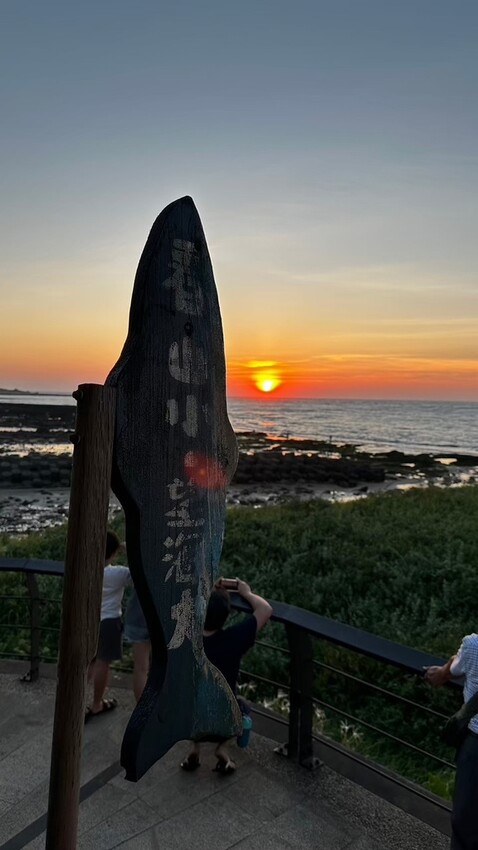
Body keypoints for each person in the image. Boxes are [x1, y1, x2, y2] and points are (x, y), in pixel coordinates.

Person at [181, 577, 272, 774]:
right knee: (242, 709)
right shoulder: (234, 639)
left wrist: (205, 589)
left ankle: (194, 749)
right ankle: (222, 749)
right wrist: (246, 593)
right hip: (223, 720)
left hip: (192, 717)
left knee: (190, 700)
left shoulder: (186, 639)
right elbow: (265, 610)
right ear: (226, 615)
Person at [424, 633, 478, 849]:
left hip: (476, 746)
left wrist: (442, 671)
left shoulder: (473, 645)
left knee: (465, 823)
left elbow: (451, 670)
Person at [85, 531, 130, 720]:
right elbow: (143, 571)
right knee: (103, 662)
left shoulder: (86, 568)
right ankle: (96, 703)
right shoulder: (118, 574)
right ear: (113, 553)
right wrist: (129, 549)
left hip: (88, 619)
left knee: (90, 660)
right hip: (109, 621)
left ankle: (82, 700)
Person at [123, 589, 151, 702]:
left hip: (138, 615)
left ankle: (143, 712)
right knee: (169, 668)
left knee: (141, 668)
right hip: (166, 615)